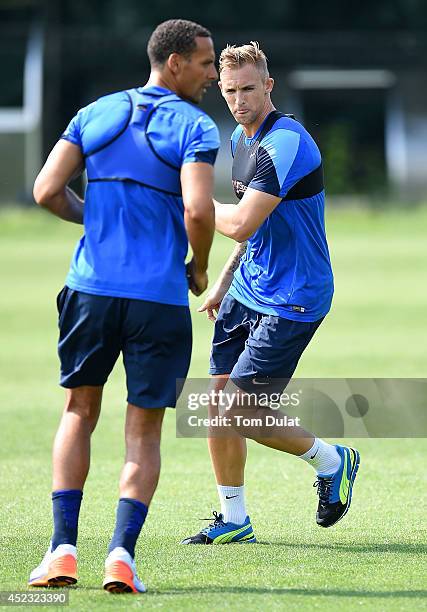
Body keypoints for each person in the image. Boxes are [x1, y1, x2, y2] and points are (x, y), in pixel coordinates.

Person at [28, 19, 219, 592]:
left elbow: (44, 190)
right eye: (206, 63)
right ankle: (121, 557)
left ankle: (62, 549)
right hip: (156, 299)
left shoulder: (96, 112)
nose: (213, 75)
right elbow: (198, 212)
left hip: (89, 289)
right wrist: (200, 266)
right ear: (176, 62)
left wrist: (99, 218)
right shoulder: (195, 126)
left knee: (78, 412)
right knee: (143, 432)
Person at [182, 42, 360, 545]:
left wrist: (193, 202)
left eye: (249, 89)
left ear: (269, 87)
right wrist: (222, 282)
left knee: (239, 411)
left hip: (294, 298)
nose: (239, 100)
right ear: (221, 89)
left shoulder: (285, 144)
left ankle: (333, 460)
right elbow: (256, 232)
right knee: (216, 404)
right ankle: (234, 518)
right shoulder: (243, 136)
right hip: (249, 288)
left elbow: (238, 223)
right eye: (231, 91)